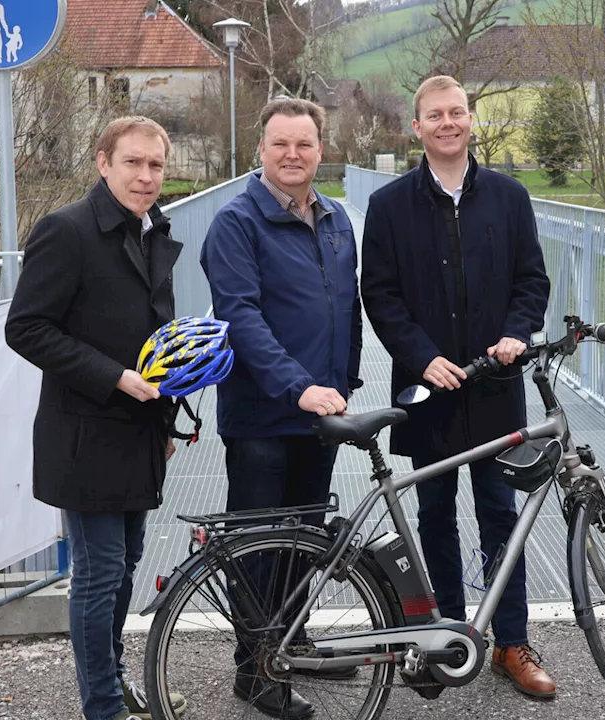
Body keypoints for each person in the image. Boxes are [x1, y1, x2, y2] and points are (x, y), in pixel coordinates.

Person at [360, 75, 553, 699]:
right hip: (430, 392)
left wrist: (518, 333)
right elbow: (380, 296)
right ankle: (445, 639)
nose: (447, 123)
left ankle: (512, 644)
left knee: (502, 516)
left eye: (457, 113)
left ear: (472, 120)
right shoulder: (389, 206)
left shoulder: (509, 197)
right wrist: (423, 359)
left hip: (496, 388)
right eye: (434, 115)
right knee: (435, 513)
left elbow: (532, 281)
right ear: (416, 127)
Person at [4, 116, 189, 720]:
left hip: (139, 430)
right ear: (102, 162)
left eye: (155, 165)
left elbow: (154, 336)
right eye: (132, 163)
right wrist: (112, 376)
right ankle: (103, 706)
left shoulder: (151, 229)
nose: (145, 176)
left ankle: (110, 682)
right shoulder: (66, 230)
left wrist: (165, 416)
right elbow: (26, 328)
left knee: (126, 564)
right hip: (84, 433)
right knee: (99, 571)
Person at [199, 97, 363, 719]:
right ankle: (255, 671)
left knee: (304, 540)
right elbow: (240, 317)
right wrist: (298, 386)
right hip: (265, 413)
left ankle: (293, 642)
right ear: (261, 151)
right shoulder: (236, 222)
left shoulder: (337, 218)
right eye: (280, 145)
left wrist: (345, 378)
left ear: (321, 150)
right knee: (258, 547)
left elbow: (345, 306)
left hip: (320, 411)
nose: (292, 155)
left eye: (304, 144)